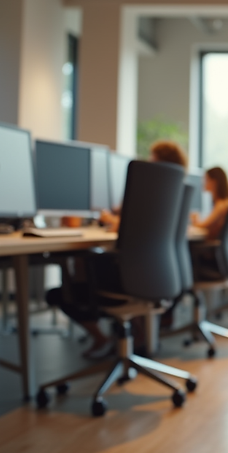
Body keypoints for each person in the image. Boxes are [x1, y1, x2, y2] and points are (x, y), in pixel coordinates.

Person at [49, 139, 189, 359]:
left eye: (153, 159)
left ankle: (105, 338)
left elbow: (129, 224)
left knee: (68, 283)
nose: (149, 162)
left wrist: (111, 219)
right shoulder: (171, 195)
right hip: (159, 273)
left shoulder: (149, 192)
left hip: (132, 278)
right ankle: (134, 335)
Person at [191, 167, 228, 238]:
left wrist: (195, 219)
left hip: (211, 244)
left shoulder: (221, 204)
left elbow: (203, 225)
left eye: (206, 179)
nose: (203, 183)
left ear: (214, 182)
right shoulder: (225, 202)